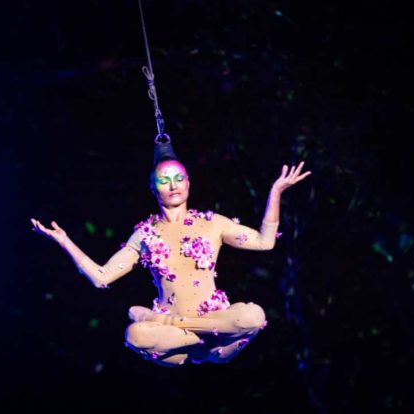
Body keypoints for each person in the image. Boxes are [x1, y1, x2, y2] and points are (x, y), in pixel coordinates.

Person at [31, 141, 310, 366]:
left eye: (179, 178)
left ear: (188, 183)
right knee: (135, 335)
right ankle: (184, 330)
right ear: (153, 187)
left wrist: (276, 192)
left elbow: (264, 242)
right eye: (165, 180)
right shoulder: (145, 234)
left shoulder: (212, 223)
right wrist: (65, 241)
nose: (173, 185)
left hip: (218, 335)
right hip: (174, 344)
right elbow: (101, 277)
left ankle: (174, 324)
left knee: (254, 316)